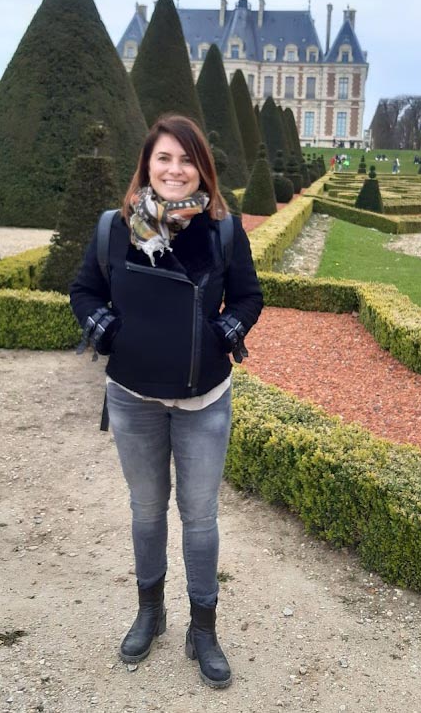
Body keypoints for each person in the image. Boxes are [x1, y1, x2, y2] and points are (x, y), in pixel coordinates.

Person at [70, 114, 263, 689]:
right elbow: (84, 290)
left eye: (186, 160)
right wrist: (101, 325)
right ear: (147, 165)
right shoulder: (115, 227)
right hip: (133, 396)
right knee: (147, 511)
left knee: (200, 518)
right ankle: (150, 613)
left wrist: (230, 328)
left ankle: (202, 627)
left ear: (201, 167)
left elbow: (250, 296)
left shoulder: (223, 230)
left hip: (203, 397)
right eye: (164, 159)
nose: (175, 170)